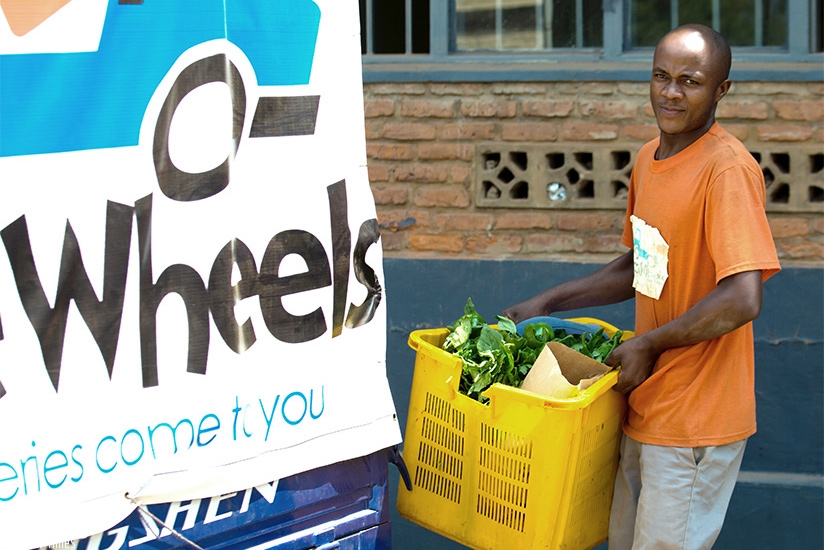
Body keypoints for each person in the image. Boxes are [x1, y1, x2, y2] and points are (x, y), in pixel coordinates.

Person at [503, 24, 781, 550]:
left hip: (697, 414)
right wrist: (549, 301)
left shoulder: (727, 171)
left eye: (690, 81)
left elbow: (745, 296)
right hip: (646, 403)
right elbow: (644, 267)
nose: (671, 92)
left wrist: (649, 343)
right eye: (661, 76)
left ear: (721, 90)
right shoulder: (649, 159)